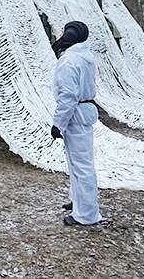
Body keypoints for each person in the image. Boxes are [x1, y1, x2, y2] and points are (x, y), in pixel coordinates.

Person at [50, 21, 102, 226]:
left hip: (76, 115)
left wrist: (58, 124)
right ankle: (79, 202)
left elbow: (68, 96)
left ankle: (87, 215)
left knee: (82, 166)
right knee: (77, 163)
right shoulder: (84, 56)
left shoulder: (70, 60)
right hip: (83, 112)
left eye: (64, 32)